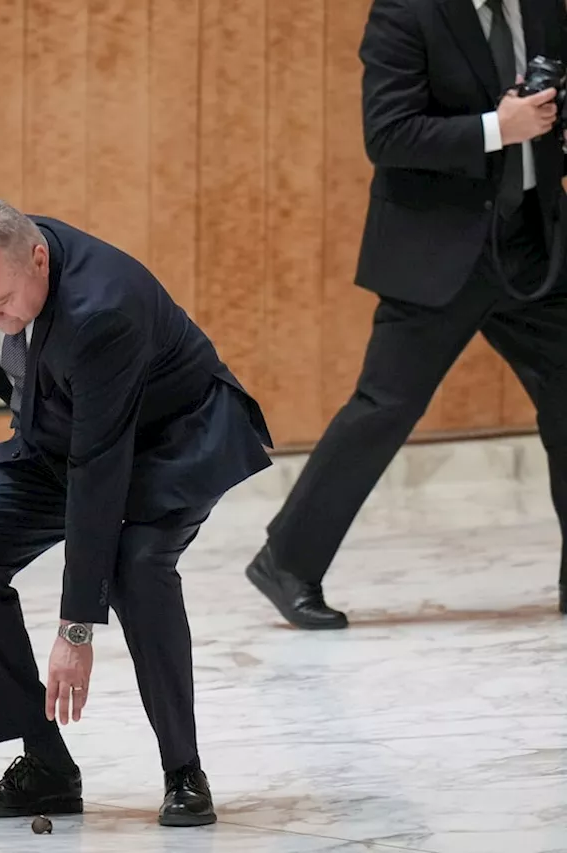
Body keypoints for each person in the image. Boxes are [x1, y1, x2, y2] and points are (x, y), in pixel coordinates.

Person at [0, 199, 274, 827]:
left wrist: (76, 629)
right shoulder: (0, 273)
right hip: (62, 435)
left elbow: (99, 474)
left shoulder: (102, 314)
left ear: (39, 261)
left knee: (137, 568)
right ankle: (45, 768)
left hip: (170, 442)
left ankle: (184, 772)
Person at [244, 0, 567, 630]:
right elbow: (387, 134)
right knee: (384, 409)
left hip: (532, 242)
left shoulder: (544, 5)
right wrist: (499, 128)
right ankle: (287, 560)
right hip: (438, 251)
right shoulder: (407, 11)